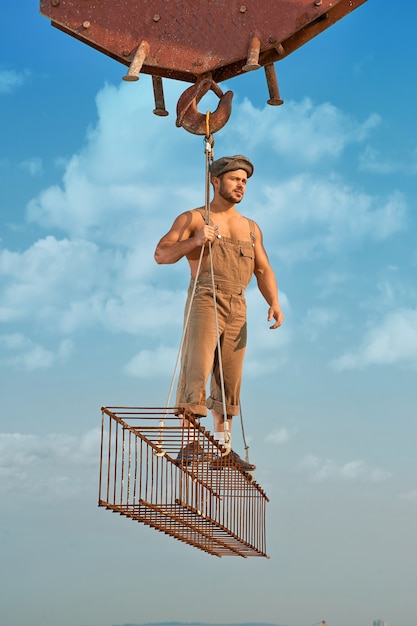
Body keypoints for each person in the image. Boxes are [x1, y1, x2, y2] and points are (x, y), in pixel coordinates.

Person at [154, 155, 284, 471]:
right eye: (235, 179)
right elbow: (161, 254)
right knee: (197, 367)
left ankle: (224, 449)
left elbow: (263, 269)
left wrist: (274, 303)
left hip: (238, 304)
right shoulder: (194, 218)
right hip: (205, 298)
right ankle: (189, 442)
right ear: (216, 180)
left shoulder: (251, 228)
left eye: (244, 181)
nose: (241, 185)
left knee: (230, 378)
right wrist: (197, 240)